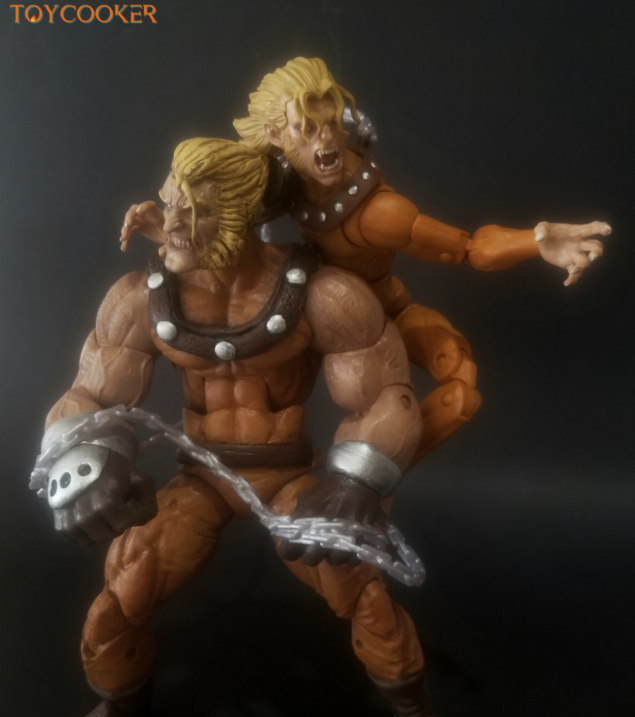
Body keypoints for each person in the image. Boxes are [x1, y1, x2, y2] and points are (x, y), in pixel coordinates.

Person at [38, 137, 480, 717]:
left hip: (287, 474)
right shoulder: (138, 297)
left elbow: (386, 396)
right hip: (200, 476)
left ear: (243, 215)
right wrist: (82, 463)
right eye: (169, 201)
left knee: (359, 590)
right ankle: (117, 707)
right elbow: (91, 395)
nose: (168, 221)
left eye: (193, 210)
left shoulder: (325, 295)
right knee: (120, 593)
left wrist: (355, 479)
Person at [122, 57, 610, 464]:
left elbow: (467, 248)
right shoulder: (279, 177)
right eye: (308, 129)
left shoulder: (379, 214)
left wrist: (535, 240)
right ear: (275, 134)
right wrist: (169, 228)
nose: (326, 141)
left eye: (332, 123)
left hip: (377, 316)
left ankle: (368, 478)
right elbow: (225, 217)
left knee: (460, 388)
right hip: (307, 311)